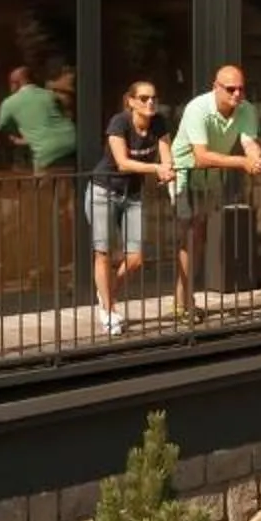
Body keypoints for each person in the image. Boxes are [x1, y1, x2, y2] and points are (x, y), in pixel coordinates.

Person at [171, 63, 261, 320]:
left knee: (198, 236)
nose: (236, 94)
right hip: (185, 174)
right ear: (215, 87)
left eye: (241, 89)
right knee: (189, 235)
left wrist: (256, 158)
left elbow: (248, 142)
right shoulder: (197, 109)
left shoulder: (246, 109)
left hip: (212, 177)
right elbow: (200, 157)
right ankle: (183, 301)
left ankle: (184, 297)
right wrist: (243, 163)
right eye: (230, 89)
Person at [87, 80, 171, 334]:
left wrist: (168, 171)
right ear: (131, 101)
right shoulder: (120, 122)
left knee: (135, 258)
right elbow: (122, 162)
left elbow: (167, 157)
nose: (150, 103)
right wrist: (156, 168)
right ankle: (108, 310)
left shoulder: (159, 123)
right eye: (144, 98)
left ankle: (107, 296)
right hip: (104, 189)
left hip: (132, 193)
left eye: (153, 98)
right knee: (102, 252)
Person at [0, 61, 79, 173]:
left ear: (16, 83)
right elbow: (62, 116)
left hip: (47, 153)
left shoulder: (9, 103)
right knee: (73, 183)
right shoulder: (50, 95)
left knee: (44, 186)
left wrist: (8, 156)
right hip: (74, 143)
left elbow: (1, 133)